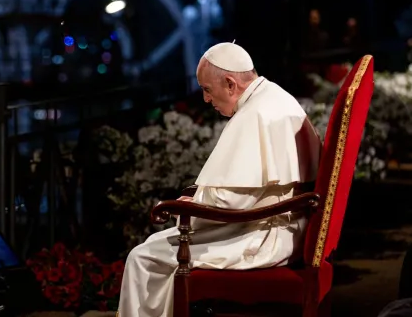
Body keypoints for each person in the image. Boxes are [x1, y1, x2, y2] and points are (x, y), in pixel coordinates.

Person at [118, 42, 322, 317]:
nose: (205, 99)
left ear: (230, 83)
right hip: (280, 228)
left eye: (207, 89)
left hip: (262, 238)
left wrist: (188, 206)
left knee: (143, 258)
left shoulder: (255, 115)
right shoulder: (274, 97)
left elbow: (231, 202)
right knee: (153, 249)